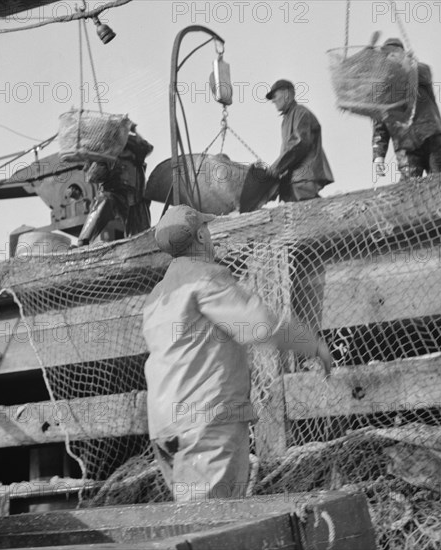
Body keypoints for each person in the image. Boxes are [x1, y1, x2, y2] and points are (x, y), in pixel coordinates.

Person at [143, 205, 332, 502]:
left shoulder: (157, 295)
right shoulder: (205, 278)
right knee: (215, 519)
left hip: (164, 427)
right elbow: (257, 325)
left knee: (192, 514)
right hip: (204, 419)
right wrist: (313, 345)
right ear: (202, 236)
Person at [373, 38, 441, 180]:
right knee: (409, 190)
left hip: (430, 137)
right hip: (404, 145)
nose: (390, 56)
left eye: (394, 53)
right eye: (387, 54)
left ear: (403, 54)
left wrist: (407, 65)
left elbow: (424, 73)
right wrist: (378, 155)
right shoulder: (382, 88)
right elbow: (380, 125)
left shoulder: (419, 71)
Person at [77, 127, 153, 247]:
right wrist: (100, 161)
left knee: (141, 234)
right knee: (104, 201)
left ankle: (141, 248)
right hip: (115, 194)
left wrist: (133, 130)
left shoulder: (135, 150)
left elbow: (147, 147)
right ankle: (84, 241)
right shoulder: (105, 154)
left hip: (136, 196)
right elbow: (92, 177)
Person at [265, 79, 334, 202]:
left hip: (303, 178)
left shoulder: (300, 113)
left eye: (275, 96)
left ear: (286, 94)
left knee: (306, 211)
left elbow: (299, 143)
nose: (273, 101)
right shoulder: (287, 119)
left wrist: (275, 168)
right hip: (293, 179)